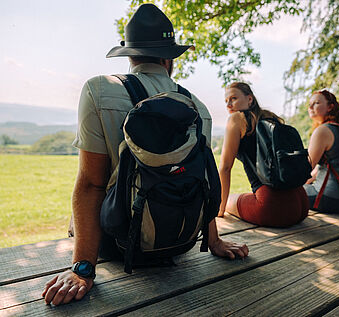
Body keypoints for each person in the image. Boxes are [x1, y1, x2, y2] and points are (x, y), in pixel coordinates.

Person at [42, 4, 248, 306]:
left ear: (131, 55)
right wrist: (213, 241)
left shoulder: (99, 89)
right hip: (182, 241)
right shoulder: (198, 107)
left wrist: (82, 269)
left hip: (118, 244)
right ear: (169, 59)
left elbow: (91, 184)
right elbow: (202, 179)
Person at [218, 82, 309, 227]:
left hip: (273, 208)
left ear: (250, 99)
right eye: (226, 101)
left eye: (233, 98)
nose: (228, 104)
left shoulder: (236, 119)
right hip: (302, 203)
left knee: (230, 200)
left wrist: (220, 210)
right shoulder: (271, 117)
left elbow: (225, 168)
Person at [304, 89, 339, 213]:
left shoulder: (323, 131)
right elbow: (318, 171)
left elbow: (306, 168)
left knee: (282, 193)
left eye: (316, 103)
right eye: (309, 104)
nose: (310, 107)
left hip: (327, 199)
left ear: (330, 107)